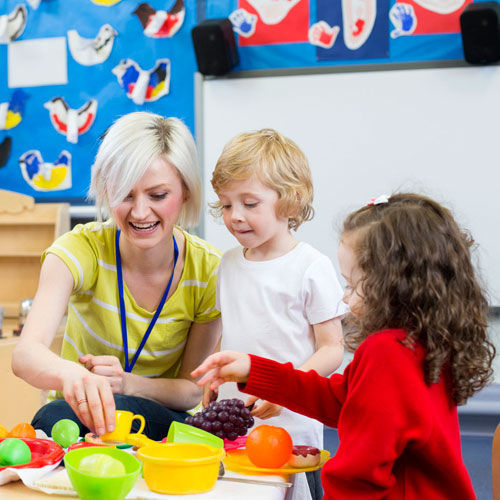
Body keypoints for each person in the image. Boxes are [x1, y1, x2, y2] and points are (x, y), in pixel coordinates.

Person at [192, 192, 496, 499]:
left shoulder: (387, 352)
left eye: (351, 283)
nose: (344, 296)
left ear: (391, 285)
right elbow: (343, 403)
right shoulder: (426, 342)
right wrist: (255, 370)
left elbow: (359, 474)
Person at [11, 111, 222, 441]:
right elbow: (25, 355)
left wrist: (126, 383)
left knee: (141, 415)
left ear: (185, 192)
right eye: (125, 193)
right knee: (55, 415)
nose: (139, 212)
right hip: (78, 415)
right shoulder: (82, 249)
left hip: (161, 418)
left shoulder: (209, 270)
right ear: (106, 191)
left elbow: (191, 392)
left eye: (158, 195)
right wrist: (74, 377)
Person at [209, 129, 346, 500]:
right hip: (236, 419)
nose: (235, 216)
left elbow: (332, 348)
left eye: (249, 203)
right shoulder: (228, 264)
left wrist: (285, 391)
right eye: (225, 204)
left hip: (292, 425)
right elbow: (232, 332)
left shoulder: (311, 266)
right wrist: (214, 378)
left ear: (290, 201)